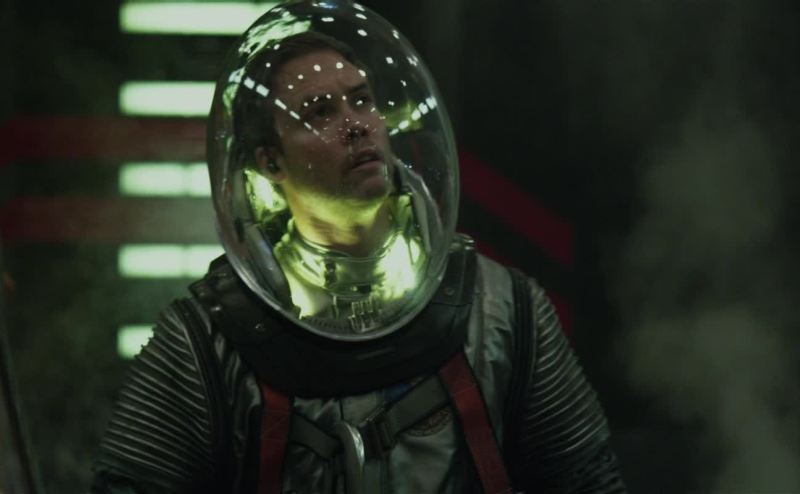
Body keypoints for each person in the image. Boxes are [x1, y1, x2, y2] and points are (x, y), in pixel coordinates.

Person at [91, 3, 627, 493]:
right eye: (319, 112)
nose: (355, 126)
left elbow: (590, 484)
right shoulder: (208, 340)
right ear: (270, 164)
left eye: (362, 100)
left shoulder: (504, 313)